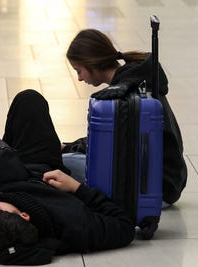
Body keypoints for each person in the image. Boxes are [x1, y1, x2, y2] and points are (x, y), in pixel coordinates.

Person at [0, 90, 135, 265]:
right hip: (40, 171)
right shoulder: (74, 225)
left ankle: (1, 149)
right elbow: (124, 225)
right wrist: (77, 188)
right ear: (24, 215)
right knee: (29, 99)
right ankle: (10, 148)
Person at [62, 28, 188, 205]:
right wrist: (70, 145)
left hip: (154, 189)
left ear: (91, 63)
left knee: (62, 164)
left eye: (79, 71)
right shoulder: (136, 77)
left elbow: (105, 148)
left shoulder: (121, 98)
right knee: (68, 157)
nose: (80, 79)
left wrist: (67, 150)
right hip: (169, 181)